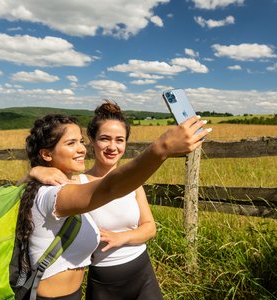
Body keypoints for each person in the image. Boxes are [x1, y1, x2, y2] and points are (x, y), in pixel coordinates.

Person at [19, 111, 210, 299]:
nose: (81, 149)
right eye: (71, 143)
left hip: (102, 283)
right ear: (46, 153)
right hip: (76, 289)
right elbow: (109, 188)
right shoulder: (60, 191)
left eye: (80, 142)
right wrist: (162, 147)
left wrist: (33, 172)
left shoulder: (59, 187)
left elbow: (148, 225)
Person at [30, 101, 169, 299]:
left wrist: (121, 237)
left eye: (119, 140)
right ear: (92, 141)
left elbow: (150, 227)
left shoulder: (132, 183)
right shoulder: (77, 183)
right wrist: (36, 170)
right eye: (105, 139)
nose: (113, 147)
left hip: (142, 272)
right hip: (104, 281)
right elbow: (36, 192)